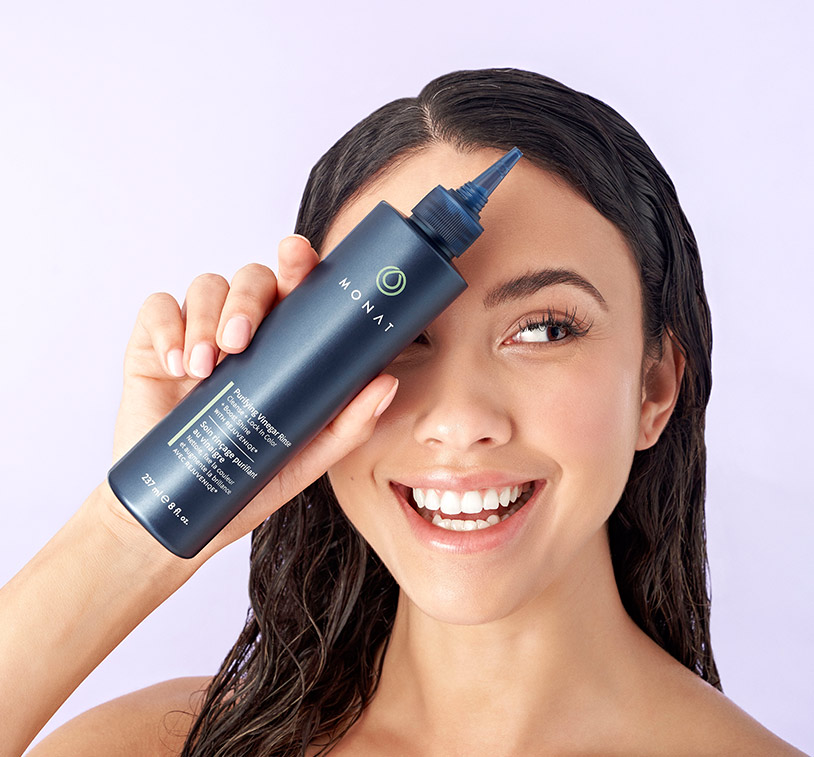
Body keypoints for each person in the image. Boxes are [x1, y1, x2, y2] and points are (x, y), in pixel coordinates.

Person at [1, 68, 804, 756]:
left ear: (654, 388)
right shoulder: (165, 743)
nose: (459, 420)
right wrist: (133, 527)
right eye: (393, 336)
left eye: (544, 329)